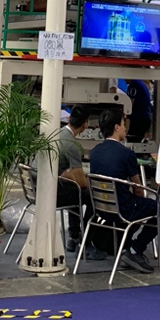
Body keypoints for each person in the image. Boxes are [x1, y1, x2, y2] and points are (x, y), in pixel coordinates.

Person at [88, 106, 160, 273]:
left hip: (101, 209)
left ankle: (128, 246)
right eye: (124, 124)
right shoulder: (126, 154)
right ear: (117, 127)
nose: (125, 128)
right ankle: (135, 250)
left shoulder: (94, 152)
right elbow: (138, 190)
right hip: (124, 210)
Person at [55, 106, 101, 257]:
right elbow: (82, 182)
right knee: (93, 196)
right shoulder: (72, 145)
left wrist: (71, 175)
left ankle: (73, 237)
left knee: (74, 190)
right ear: (85, 125)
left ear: (69, 118)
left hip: (38, 189)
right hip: (54, 194)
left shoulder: (57, 133)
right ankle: (86, 242)